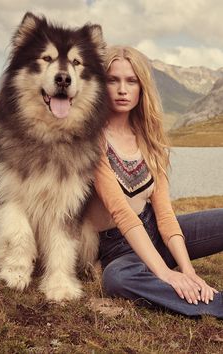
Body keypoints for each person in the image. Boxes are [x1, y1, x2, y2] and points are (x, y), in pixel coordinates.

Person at [87, 45, 223, 318]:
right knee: (117, 279)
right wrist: (166, 275)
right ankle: (215, 305)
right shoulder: (91, 140)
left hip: (154, 231)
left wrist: (188, 271)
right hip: (117, 247)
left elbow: (164, 214)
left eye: (131, 80)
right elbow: (120, 212)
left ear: (141, 87)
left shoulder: (149, 141)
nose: (122, 89)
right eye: (113, 80)